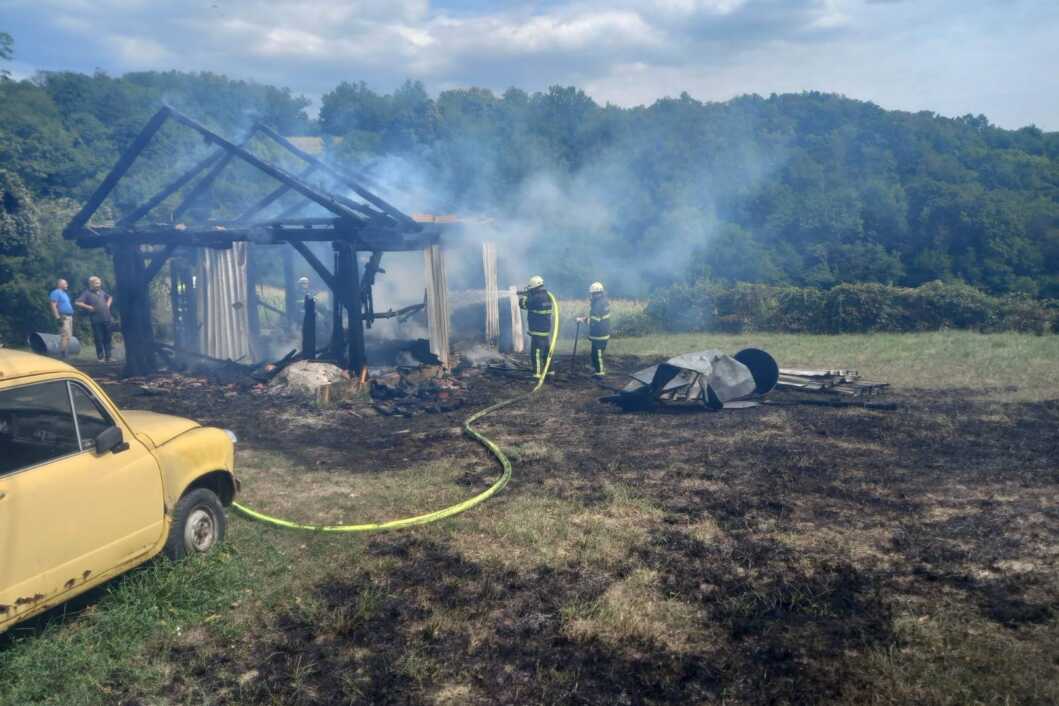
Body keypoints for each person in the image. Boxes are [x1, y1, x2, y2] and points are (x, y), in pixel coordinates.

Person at [519, 275, 554, 378]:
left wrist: (525, 296)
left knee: (536, 354)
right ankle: (550, 371)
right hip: (545, 330)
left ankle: (537, 375)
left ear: (534, 287)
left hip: (537, 331)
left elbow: (523, 305)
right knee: (546, 353)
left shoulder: (536, 298)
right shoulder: (547, 296)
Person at [75, 276, 114, 361]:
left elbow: (110, 297)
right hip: (96, 320)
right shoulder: (87, 293)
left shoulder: (102, 292)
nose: (98, 285)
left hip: (107, 318)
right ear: (91, 284)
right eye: (96, 283)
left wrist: (108, 304)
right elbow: (77, 302)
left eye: (99, 283)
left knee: (108, 338)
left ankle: (109, 357)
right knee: (99, 338)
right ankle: (100, 357)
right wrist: (88, 306)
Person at [577, 281, 610, 377]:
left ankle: (600, 373)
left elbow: (594, 321)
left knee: (597, 354)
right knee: (596, 354)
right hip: (603, 332)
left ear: (596, 293)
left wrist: (582, 320)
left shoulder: (598, 304)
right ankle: (598, 369)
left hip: (599, 334)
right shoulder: (604, 301)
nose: (591, 296)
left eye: (592, 294)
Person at [48, 278, 74, 357]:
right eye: (65, 284)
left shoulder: (65, 294)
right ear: (60, 284)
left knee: (68, 336)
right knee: (65, 335)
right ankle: (62, 355)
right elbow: (53, 305)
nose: (67, 285)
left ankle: (65, 353)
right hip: (63, 316)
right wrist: (57, 317)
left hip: (69, 317)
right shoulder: (56, 292)